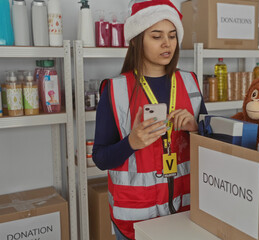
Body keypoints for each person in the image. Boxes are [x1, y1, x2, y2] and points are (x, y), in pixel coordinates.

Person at [92, 1, 207, 239]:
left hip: (186, 212)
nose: (167, 44)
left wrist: (196, 130)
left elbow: (213, 147)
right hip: (135, 219)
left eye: (172, 36)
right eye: (156, 36)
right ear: (135, 40)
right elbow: (101, 159)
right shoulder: (115, 89)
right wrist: (131, 142)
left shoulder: (190, 83)